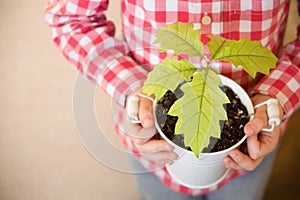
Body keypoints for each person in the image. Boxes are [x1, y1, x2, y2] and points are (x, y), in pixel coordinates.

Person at [44, 0, 300, 199]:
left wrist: (276, 95)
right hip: (152, 147)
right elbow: (71, 19)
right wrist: (133, 88)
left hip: (251, 141)